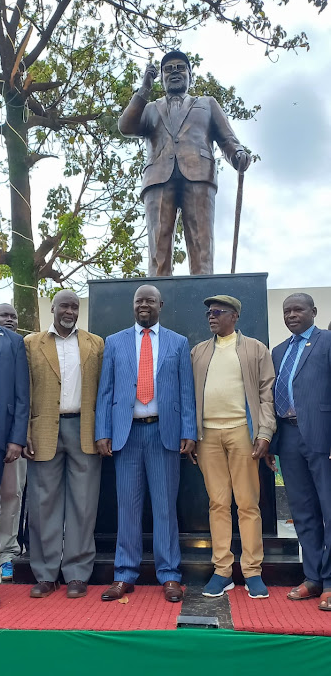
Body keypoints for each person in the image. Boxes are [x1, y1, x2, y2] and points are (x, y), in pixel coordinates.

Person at [95, 284, 197, 602]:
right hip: (128, 435)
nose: (144, 305)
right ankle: (125, 574)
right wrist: (102, 432)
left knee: (165, 507)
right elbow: (106, 392)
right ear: (133, 305)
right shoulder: (114, 343)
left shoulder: (178, 343)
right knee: (128, 507)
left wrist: (189, 432)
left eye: (149, 300)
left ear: (160, 305)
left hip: (163, 434)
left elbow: (185, 392)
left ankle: (169, 575)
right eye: (139, 300)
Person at [118, 50, 250, 277]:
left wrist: (237, 153)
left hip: (199, 175)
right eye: (168, 69)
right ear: (161, 76)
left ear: (190, 74)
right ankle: (156, 298)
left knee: (202, 245)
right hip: (158, 177)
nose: (174, 72)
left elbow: (227, 139)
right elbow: (126, 127)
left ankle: (204, 296)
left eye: (180, 68)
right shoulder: (150, 108)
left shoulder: (208, 104)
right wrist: (144, 89)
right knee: (158, 246)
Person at [191, 295, 276, 599]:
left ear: (234, 316)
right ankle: (222, 570)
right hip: (208, 436)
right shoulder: (199, 352)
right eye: (209, 314)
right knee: (217, 503)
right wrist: (190, 435)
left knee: (248, 503)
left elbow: (267, 394)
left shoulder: (255, 349)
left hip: (243, 432)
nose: (211, 317)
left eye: (217, 312)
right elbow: (189, 398)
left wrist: (265, 432)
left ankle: (253, 571)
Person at [24, 290, 104, 599]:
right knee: (44, 506)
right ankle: (45, 574)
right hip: (43, 430)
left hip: (84, 428)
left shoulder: (95, 344)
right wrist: (24, 432)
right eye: (64, 306)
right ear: (53, 308)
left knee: (84, 506)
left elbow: (103, 390)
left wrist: (103, 432)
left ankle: (77, 574)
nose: (69, 311)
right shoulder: (31, 344)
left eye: (75, 306)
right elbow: (24, 389)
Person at [266, 293, 331, 611]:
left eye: (297, 309)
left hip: (321, 437)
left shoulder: (327, 341)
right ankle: (313, 578)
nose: (291, 315)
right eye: (286, 311)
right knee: (303, 513)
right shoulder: (278, 351)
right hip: (288, 438)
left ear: (314, 312)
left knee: (329, 511)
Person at [0, 314, 29, 608]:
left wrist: (17, 438)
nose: (8, 319)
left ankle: (3, 560)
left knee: (7, 498)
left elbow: (21, 396)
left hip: (0, 440)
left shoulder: (14, 343)